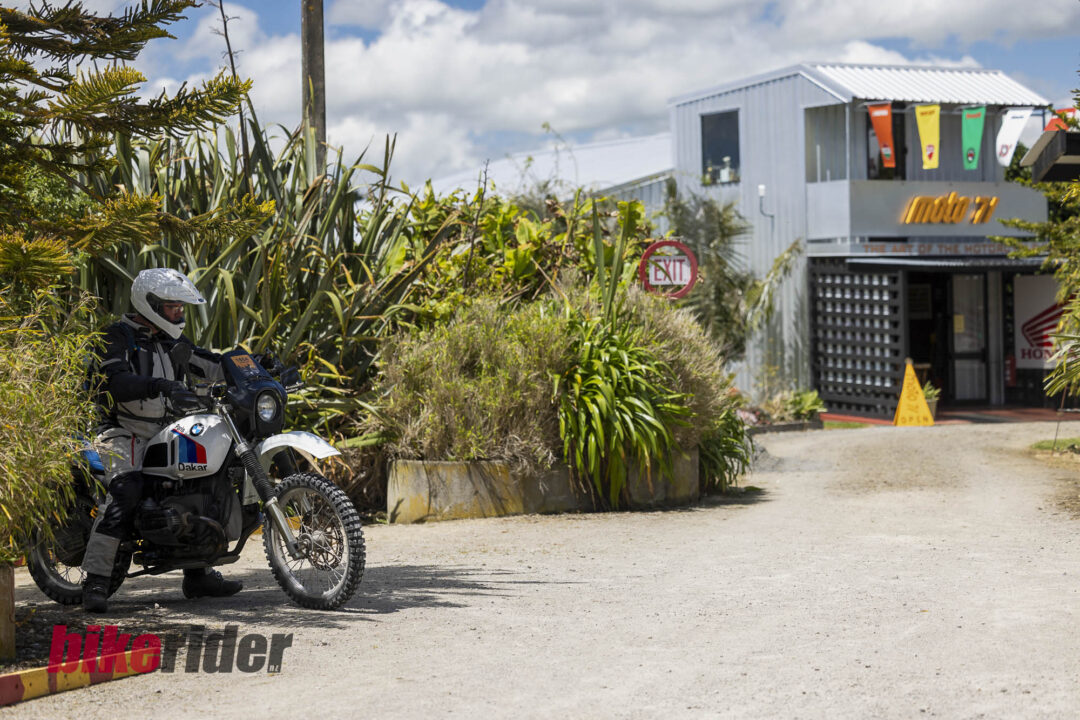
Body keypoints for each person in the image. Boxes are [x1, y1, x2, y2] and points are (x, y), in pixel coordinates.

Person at [81, 268, 243, 613]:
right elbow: (115, 382)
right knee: (126, 490)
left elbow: (210, 364)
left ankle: (198, 575)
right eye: (173, 307)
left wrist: (253, 365)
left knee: (201, 483)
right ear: (151, 305)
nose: (179, 313)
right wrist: (160, 386)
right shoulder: (116, 336)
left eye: (181, 307)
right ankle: (96, 580)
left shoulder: (171, 341)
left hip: (165, 430)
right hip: (122, 431)